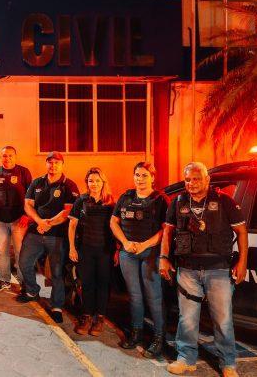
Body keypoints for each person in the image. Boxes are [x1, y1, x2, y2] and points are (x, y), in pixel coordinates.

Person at [160, 162, 248, 377]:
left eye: (197, 179)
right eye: (188, 179)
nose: (192, 183)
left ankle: (228, 363)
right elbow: (168, 233)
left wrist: (242, 262)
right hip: (187, 269)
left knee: (222, 319)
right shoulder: (178, 202)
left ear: (207, 180)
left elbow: (242, 232)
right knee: (187, 318)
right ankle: (186, 358)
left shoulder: (224, 201)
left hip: (218, 269)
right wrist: (163, 258)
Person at [110, 162, 169, 357]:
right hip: (128, 253)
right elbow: (113, 222)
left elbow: (166, 230)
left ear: (153, 177)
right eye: (137, 174)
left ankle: (159, 338)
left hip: (151, 253)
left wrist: (144, 245)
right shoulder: (126, 197)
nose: (140, 179)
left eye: (144, 175)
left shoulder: (160, 199)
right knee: (134, 296)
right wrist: (125, 242)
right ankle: (136, 333)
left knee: (154, 296)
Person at [16, 151, 79, 323]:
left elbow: (67, 211)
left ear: (62, 165)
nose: (53, 165)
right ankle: (32, 291)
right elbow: (28, 205)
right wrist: (39, 221)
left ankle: (56, 306)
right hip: (35, 232)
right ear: (46, 164)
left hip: (57, 236)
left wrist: (48, 223)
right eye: (50, 162)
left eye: (57, 162)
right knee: (24, 263)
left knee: (57, 272)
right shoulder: (37, 182)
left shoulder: (69, 185)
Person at [68, 168, 116, 337]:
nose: (94, 184)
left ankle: (100, 318)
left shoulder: (111, 202)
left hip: (105, 250)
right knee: (87, 283)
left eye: (97, 181)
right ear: (87, 183)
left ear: (103, 182)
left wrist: (116, 250)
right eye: (90, 181)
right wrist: (72, 248)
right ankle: (87, 316)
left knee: (103, 284)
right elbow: (72, 225)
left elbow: (115, 228)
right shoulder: (81, 200)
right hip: (85, 249)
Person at [0, 145, 32, 291]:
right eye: (5, 155)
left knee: (20, 251)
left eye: (11, 155)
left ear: (15, 157)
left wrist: (26, 215)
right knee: (2, 251)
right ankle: (5, 280)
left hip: (19, 220)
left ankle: (23, 281)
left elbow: (31, 197)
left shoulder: (24, 172)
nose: (8, 158)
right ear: (1, 157)